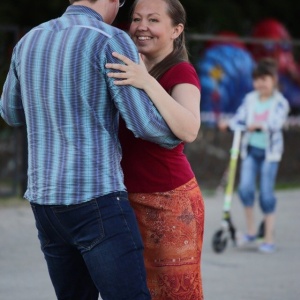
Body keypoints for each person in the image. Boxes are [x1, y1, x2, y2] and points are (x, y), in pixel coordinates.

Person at [0, 0, 182, 299]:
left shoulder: (29, 40)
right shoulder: (109, 38)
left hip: (45, 201)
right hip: (96, 197)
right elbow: (143, 124)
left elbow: (10, 113)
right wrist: (178, 136)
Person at [105, 0, 205, 298]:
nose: (141, 27)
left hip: (168, 202)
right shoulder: (125, 62)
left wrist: (147, 82)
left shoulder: (181, 73)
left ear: (176, 30)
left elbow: (190, 129)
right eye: (136, 19)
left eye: (153, 20)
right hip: (122, 201)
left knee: (174, 293)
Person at [219, 58, 290, 254]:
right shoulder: (250, 99)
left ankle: (268, 237)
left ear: (273, 80)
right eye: (257, 80)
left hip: (269, 154)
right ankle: (251, 231)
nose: (260, 84)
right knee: (245, 189)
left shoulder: (280, 103)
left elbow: (276, 123)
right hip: (250, 150)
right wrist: (228, 123)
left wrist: (261, 126)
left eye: (264, 79)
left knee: (266, 194)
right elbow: (240, 116)